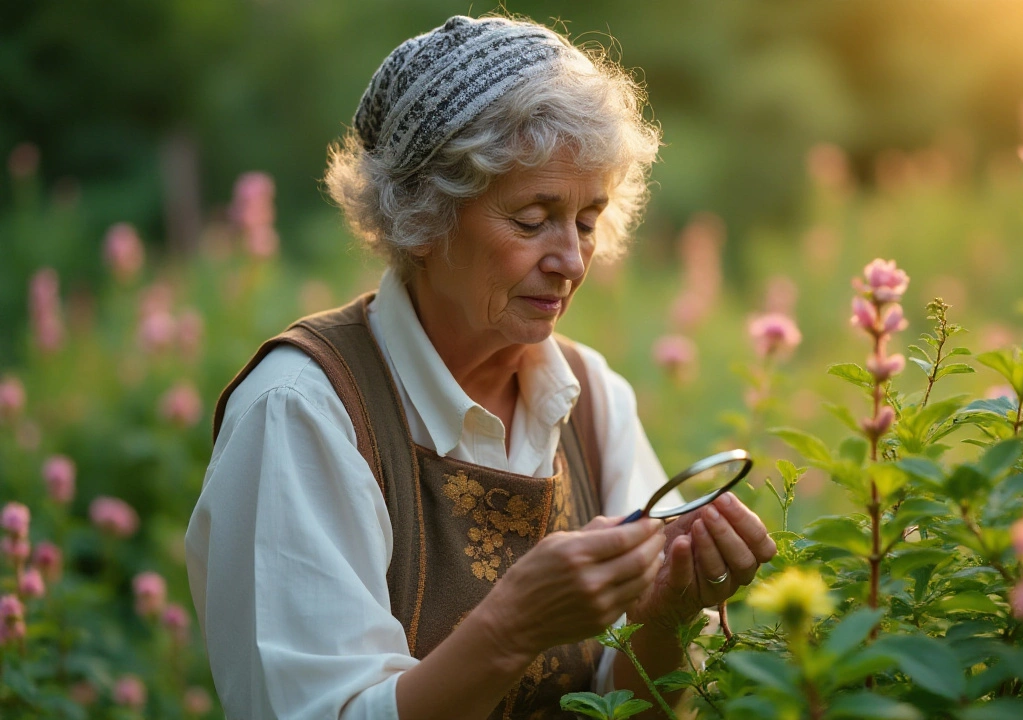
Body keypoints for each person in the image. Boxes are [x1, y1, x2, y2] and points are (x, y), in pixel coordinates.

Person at [184, 14, 777, 720]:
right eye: (532, 219)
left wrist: (669, 614)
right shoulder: (303, 411)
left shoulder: (590, 402)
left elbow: (635, 705)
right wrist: (512, 627)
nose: (571, 260)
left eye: (588, 220)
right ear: (425, 217)